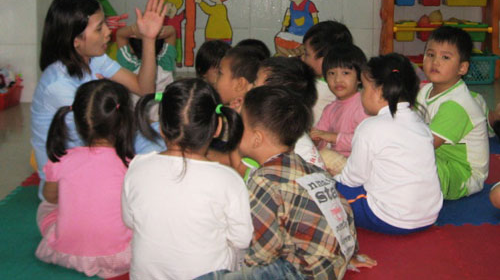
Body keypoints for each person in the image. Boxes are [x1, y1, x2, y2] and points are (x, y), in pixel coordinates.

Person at [196, 86, 376, 280]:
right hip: (333, 264)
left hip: (302, 274)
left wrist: (248, 269)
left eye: (239, 125)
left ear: (257, 139)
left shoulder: (264, 180)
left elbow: (264, 251)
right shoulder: (308, 169)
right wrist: (347, 255)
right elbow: (341, 210)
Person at [31, 0, 167, 199]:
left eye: (105, 24)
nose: (108, 33)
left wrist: (148, 39)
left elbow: (144, 89)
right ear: (75, 40)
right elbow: (97, 140)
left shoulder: (94, 58)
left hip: (101, 150)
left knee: (166, 131)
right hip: (73, 177)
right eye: (99, 28)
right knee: (153, 159)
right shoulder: (59, 85)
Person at [122, 78, 253, 280]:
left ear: (162, 127)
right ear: (218, 127)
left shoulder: (138, 166)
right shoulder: (228, 179)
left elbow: (129, 221)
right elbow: (242, 240)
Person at [35, 79, 134, 278]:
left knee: (44, 208)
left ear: (78, 121)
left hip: (65, 252)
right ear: (124, 121)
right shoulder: (130, 165)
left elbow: (50, 198)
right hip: (121, 256)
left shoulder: (61, 159)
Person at [335, 53, 443, 234]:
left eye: (363, 87)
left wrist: (333, 179)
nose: (360, 93)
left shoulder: (369, 127)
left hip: (391, 219)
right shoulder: (419, 122)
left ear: (378, 91)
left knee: (328, 190)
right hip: (430, 215)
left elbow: (352, 179)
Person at [417, 26, 489, 200]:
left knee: (409, 166)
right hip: (436, 157)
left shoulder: (457, 104)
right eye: (430, 54)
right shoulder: (425, 90)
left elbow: (425, 144)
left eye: (445, 57)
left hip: (462, 173)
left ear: (462, 68)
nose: (435, 62)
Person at [310, 44, 369, 174]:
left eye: (345, 73)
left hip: (362, 166)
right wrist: (315, 139)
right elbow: (322, 137)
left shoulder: (365, 104)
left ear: (360, 77)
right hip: (337, 164)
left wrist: (333, 137)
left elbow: (367, 141)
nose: (337, 79)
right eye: (331, 73)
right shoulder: (330, 109)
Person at [116, 22, 177, 114]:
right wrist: (153, 33)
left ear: (131, 48)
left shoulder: (129, 65)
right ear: (161, 48)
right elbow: (172, 31)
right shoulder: (165, 62)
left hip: (137, 120)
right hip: (164, 118)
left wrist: (134, 30)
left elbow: (120, 35)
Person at [301, 20, 354, 124]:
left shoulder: (319, 89)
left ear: (324, 60)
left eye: (307, 54)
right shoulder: (351, 83)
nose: (303, 58)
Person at [163, 0, 186, 66]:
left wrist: (185, 11)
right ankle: (168, 61)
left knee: (178, 49)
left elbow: (183, 15)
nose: (170, 9)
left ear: (176, 8)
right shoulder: (164, 19)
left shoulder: (177, 18)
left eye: (172, 6)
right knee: (167, 50)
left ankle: (178, 61)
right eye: (167, 7)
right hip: (166, 38)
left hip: (177, 37)